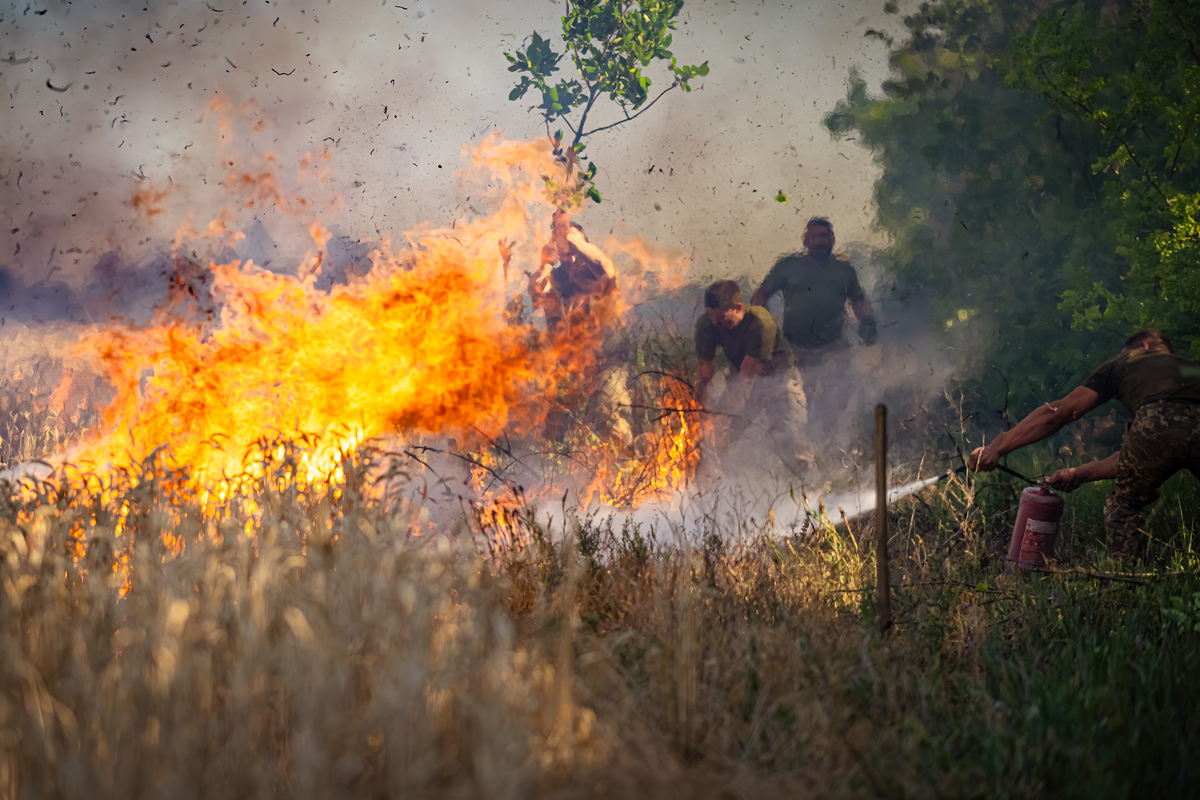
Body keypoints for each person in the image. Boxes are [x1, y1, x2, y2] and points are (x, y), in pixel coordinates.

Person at [968, 329, 1200, 560]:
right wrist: (1077, 474)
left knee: (1124, 506)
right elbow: (1140, 458)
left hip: (1156, 417)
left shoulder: (1130, 359)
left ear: (1143, 347)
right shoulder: (1191, 369)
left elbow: (1061, 412)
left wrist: (996, 447)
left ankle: (1126, 581)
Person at [750, 217, 877, 447]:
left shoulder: (843, 270)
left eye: (824, 236)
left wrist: (867, 322)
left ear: (832, 239)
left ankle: (829, 442)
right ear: (806, 240)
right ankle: (797, 444)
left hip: (834, 345)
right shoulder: (789, 266)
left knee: (838, 394)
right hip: (795, 346)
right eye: (815, 236)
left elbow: (858, 300)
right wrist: (765, 327)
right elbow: (761, 294)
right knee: (797, 400)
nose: (820, 241)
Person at [527, 208, 632, 447]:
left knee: (609, 410)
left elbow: (605, 266)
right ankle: (556, 473)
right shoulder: (558, 277)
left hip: (608, 360)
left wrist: (570, 237)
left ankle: (624, 464)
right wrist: (545, 262)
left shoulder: (597, 270)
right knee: (556, 424)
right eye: (565, 247)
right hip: (573, 363)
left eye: (575, 245)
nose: (571, 254)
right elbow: (535, 291)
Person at [694, 280, 815, 480]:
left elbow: (747, 378)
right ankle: (724, 490)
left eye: (721, 317)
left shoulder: (760, 323)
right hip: (741, 380)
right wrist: (702, 415)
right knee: (715, 439)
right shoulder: (707, 325)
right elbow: (704, 377)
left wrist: (723, 418)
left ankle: (817, 490)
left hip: (778, 380)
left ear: (738, 308)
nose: (715, 322)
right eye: (710, 315)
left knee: (788, 438)